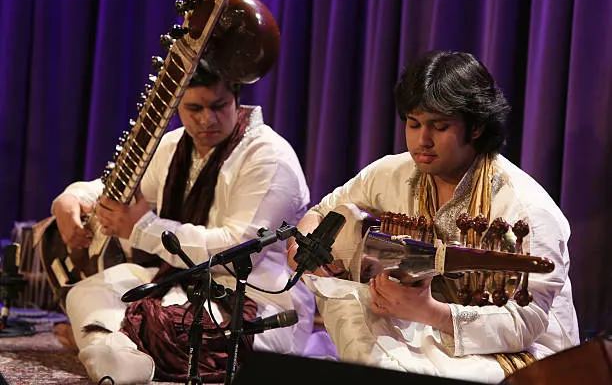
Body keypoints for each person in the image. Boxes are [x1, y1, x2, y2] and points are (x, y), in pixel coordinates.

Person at [287, 50, 580, 383]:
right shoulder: (393, 173)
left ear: (476, 128)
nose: (422, 141)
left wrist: (430, 311)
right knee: (342, 295)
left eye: (439, 127)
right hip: (423, 325)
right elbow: (323, 211)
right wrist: (301, 247)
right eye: (413, 124)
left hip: (515, 352)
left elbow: (526, 323)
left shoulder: (526, 210)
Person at [51, 59, 315, 384]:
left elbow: (238, 252)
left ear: (236, 98)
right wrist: (71, 198)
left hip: (254, 301)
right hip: (179, 285)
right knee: (85, 293)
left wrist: (141, 229)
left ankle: (110, 347)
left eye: (218, 106)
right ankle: (121, 350)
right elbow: (116, 187)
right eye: (194, 108)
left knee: (182, 334)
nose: (207, 119)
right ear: (177, 106)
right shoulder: (173, 146)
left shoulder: (269, 158)